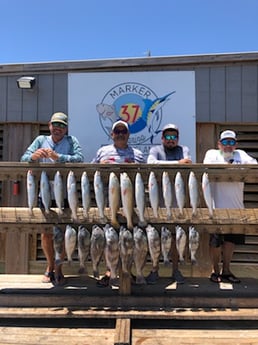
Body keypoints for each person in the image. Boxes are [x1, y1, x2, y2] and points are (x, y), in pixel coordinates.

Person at [21, 112, 84, 285]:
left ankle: (59, 269)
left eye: (62, 126)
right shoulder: (40, 140)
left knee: (63, 234)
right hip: (44, 193)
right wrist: (33, 157)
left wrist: (59, 158)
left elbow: (80, 158)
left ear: (66, 129)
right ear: (49, 125)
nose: (58, 128)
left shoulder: (71, 141)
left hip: (65, 194)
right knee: (46, 233)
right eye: (55, 125)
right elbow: (24, 158)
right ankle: (49, 266)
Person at [92, 119, 145, 287]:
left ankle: (130, 270)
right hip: (109, 198)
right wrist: (100, 165)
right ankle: (110, 270)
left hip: (131, 201)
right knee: (110, 237)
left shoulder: (137, 154)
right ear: (112, 134)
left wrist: (135, 167)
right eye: (117, 132)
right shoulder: (103, 151)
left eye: (124, 132)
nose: (120, 135)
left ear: (128, 135)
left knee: (132, 238)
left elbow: (145, 175)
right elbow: (91, 170)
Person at [203, 129, 257, 284]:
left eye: (231, 142)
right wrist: (230, 167)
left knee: (231, 241)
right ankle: (215, 271)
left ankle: (226, 270)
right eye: (225, 142)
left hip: (236, 206)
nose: (228, 146)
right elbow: (207, 167)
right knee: (216, 241)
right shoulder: (212, 154)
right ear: (219, 144)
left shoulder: (241, 154)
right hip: (216, 206)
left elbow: (254, 165)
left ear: (236, 144)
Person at [147, 123, 192, 284]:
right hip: (157, 203)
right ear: (162, 138)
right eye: (168, 136)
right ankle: (154, 269)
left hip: (177, 203)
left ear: (178, 139)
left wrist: (178, 164)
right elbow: (151, 162)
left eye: (174, 137)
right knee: (155, 239)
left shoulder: (183, 149)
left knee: (175, 238)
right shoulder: (155, 150)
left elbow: (187, 161)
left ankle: (175, 270)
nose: (171, 140)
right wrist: (176, 164)